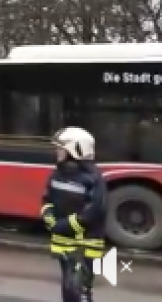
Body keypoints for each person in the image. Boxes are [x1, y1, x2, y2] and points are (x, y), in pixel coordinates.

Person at [40, 126, 106, 302]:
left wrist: (62, 225)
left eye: (60, 149)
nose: (56, 152)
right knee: (68, 290)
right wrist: (48, 216)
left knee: (80, 291)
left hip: (85, 245)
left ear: (74, 150)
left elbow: (94, 212)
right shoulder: (57, 174)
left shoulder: (93, 179)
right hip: (63, 243)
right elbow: (47, 199)